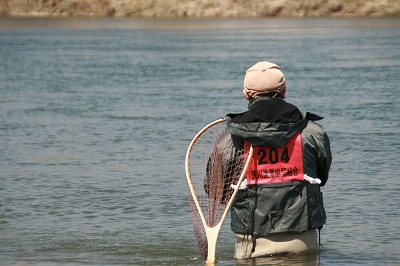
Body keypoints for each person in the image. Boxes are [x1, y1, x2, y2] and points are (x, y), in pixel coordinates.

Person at [222, 61, 332, 259]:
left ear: (247, 94)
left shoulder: (229, 138)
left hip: (251, 241)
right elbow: (322, 176)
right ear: (284, 91)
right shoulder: (313, 132)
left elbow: (216, 189)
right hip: (302, 237)